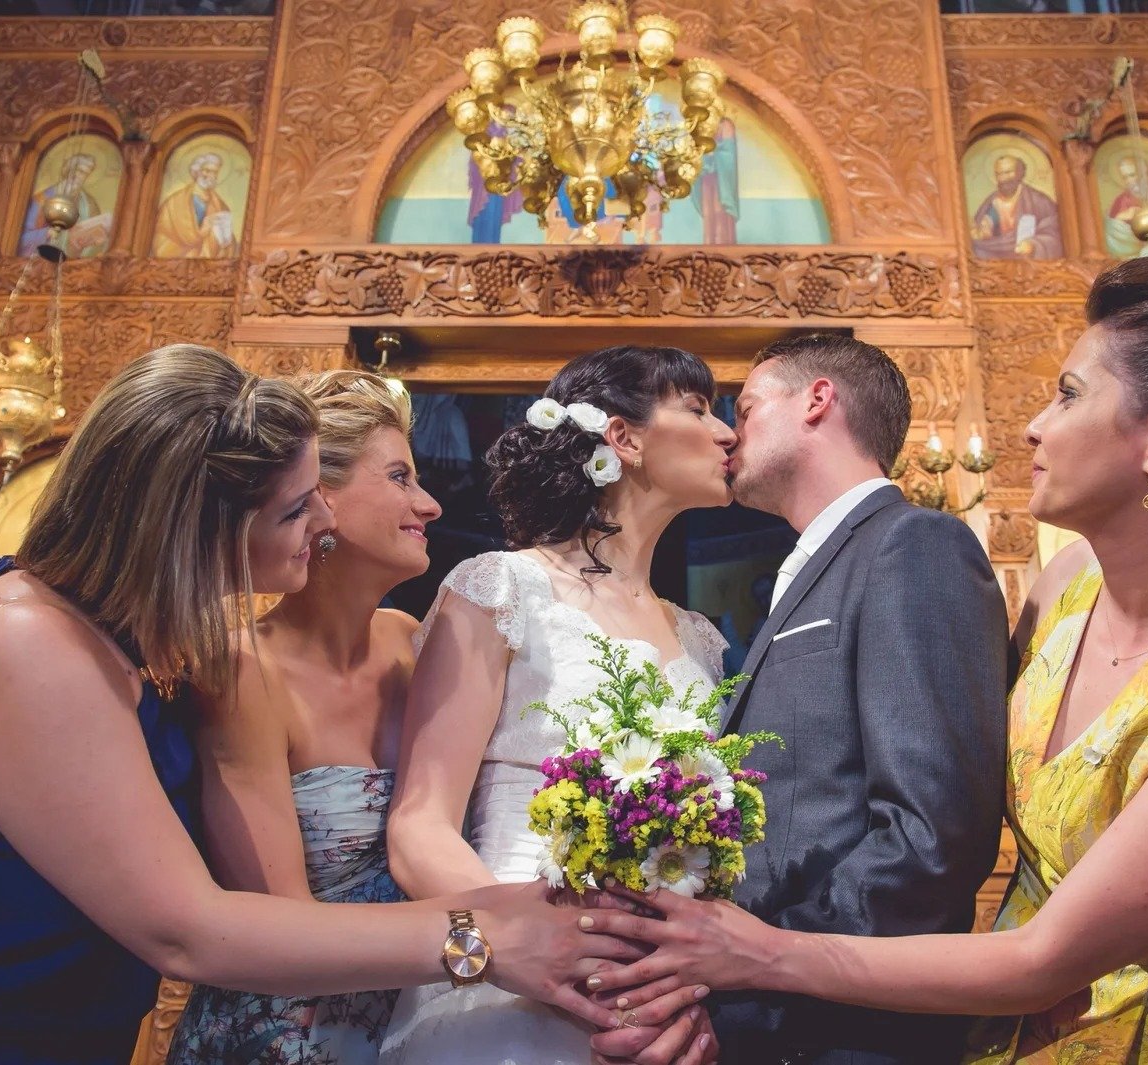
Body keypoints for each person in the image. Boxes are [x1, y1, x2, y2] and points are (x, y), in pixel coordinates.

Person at [581, 250, 1148, 1065]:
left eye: (1068, 394)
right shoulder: (1065, 587)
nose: (1035, 424)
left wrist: (750, 957)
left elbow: (1037, 955)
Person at [0, 344, 638, 1065]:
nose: (321, 519)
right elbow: (186, 929)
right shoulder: (26, 643)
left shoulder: (117, 642)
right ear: (192, 523)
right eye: (295, 506)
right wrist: (480, 939)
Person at [382, 345, 736, 1065]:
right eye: (699, 410)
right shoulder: (501, 587)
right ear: (623, 437)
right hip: (507, 990)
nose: (727, 433)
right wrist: (532, 943)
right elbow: (419, 827)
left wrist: (668, 978)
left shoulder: (701, 639)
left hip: (650, 1001)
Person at [704, 334, 1006, 1064]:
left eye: (746, 409)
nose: (729, 434)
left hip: (843, 1031)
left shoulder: (915, 543)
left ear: (817, 399)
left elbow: (931, 836)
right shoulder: (814, 565)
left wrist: (760, 976)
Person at [167, 369, 441, 1063]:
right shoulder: (239, 670)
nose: (430, 505)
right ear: (322, 495)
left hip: (411, 1025)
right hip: (282, 1034)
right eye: (401, 478)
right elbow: (277, 923)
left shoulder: (408, 641)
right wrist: (482, 938)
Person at [971, 155, 1063, 260]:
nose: (1003, 178)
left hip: (1027, 255)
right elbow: (986, 224)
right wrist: (981, 233)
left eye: (1008, 172)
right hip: (996, 252)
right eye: (999, 174)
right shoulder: (992, 201)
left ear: (1020, 173)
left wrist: (1033, 244)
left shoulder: (1039, 201)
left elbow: (1054, 233)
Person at [153, 152, 239, 258]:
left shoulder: (220, 205)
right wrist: (202, 231)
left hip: (210, 258)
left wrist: (226, 238)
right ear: (197, 172)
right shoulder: (175, 202)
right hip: (178, 252)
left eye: (215, 172)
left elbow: (228, 241)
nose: (211, 175)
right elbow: (164, 235)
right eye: (207, 170)